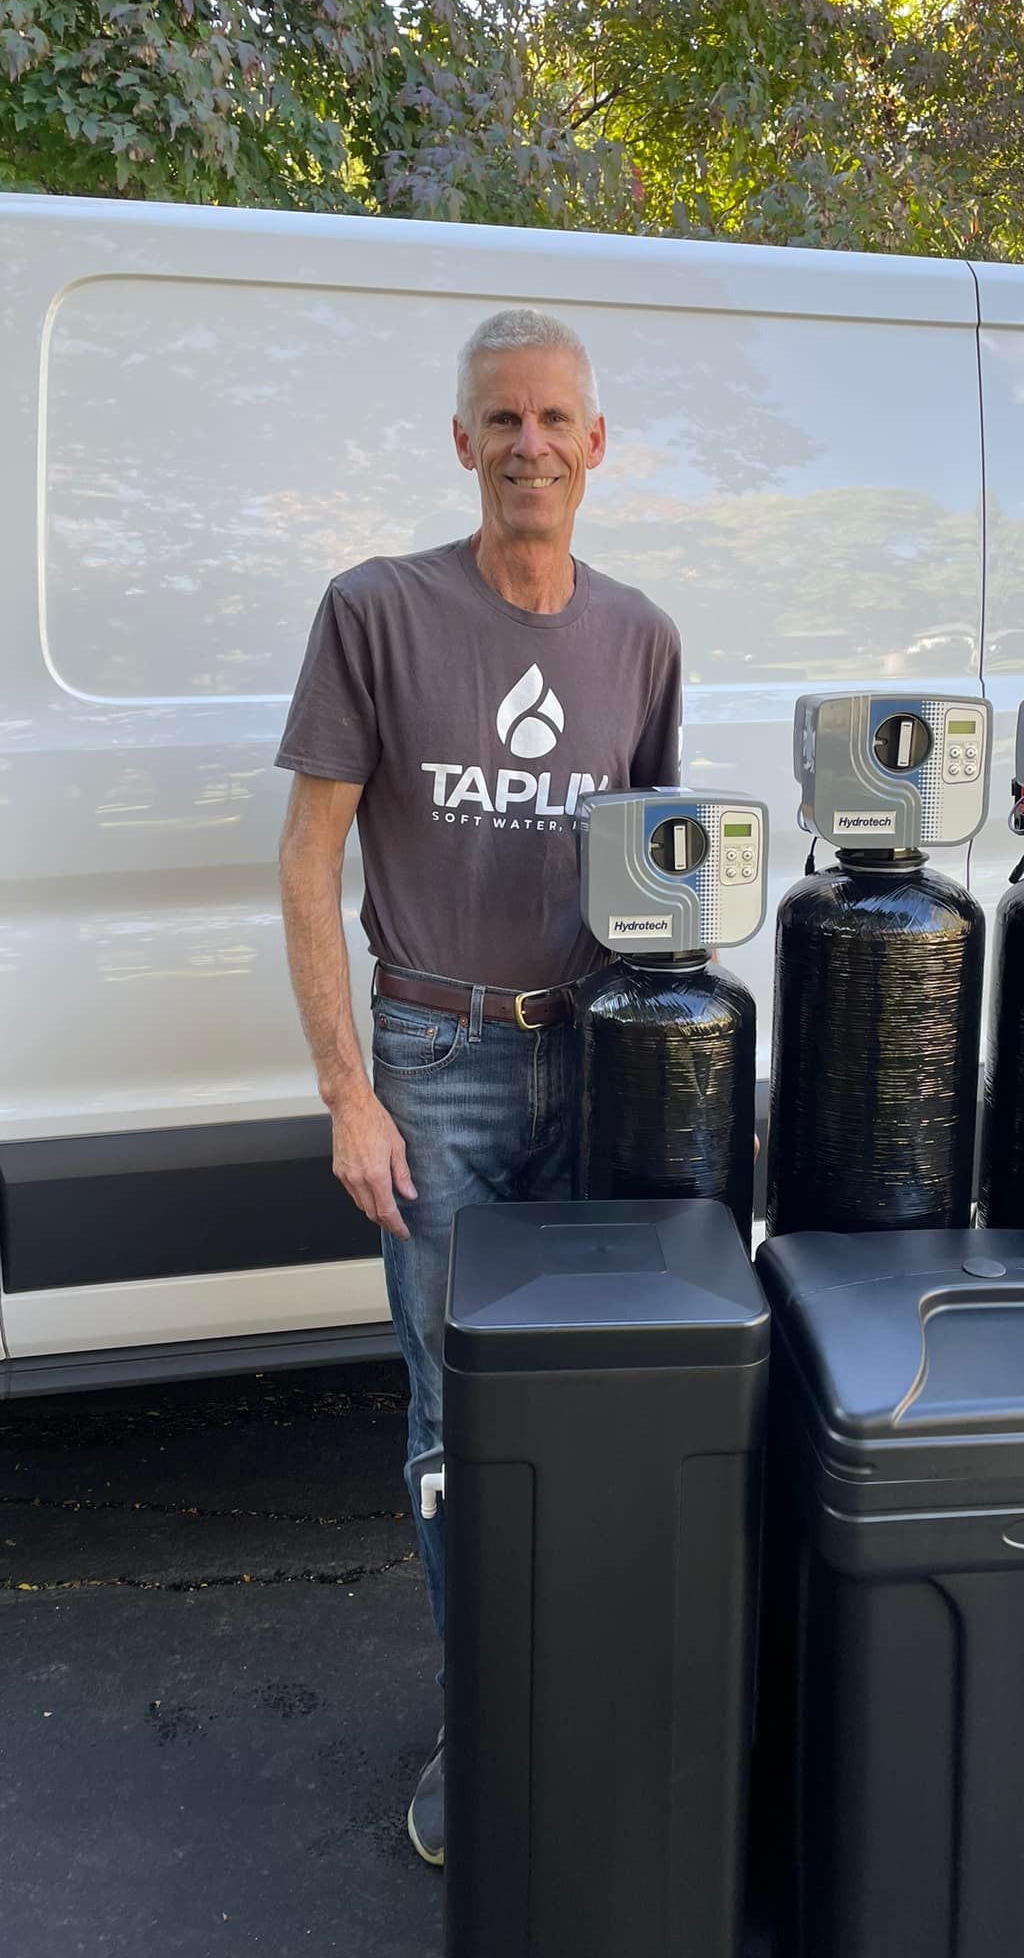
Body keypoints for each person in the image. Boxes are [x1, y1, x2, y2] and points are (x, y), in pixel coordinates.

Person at [275, 309, 683, 1869]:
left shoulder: (639, 637)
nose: (530, 446)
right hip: (436, 1066)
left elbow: (660, 883)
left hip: (602, 1057)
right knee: (461, 1412)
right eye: (500, 420)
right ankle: (486, 1711)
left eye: (555, 420)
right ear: (463, 444)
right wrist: (347, 1092)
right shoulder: (376, 612)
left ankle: (594, 1692)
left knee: (618, 1395)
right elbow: (311, 861)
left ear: (596, 448)